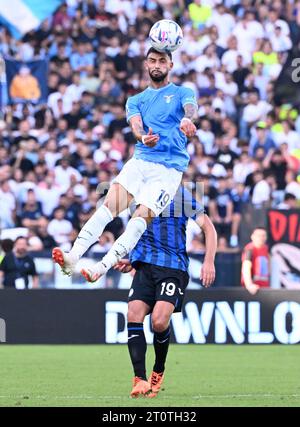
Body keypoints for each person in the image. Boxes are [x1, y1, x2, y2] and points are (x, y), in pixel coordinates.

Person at [52, 47, 197, 282]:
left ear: (170, 65)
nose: (157, 65)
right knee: (107, 208)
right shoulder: (136, 100)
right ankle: (73, 256)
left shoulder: (183, 93)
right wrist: (142, 138)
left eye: (162, 61)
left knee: (139, 219)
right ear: (146, 64)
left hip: (168, 171)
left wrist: (188, 119)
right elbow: (136, 126)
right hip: (140, 161)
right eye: (152, 60)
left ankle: (102, 267)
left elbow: (191, 108)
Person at [114, 186, 217, 398]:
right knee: (133, 314)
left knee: (159, 322)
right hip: (144, 266)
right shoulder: (138, 194)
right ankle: (139, 379)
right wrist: (133, 260)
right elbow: (139, 232)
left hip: (172, 267)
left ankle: (158, 370)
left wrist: (209, 261)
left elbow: (209, 229)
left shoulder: (180, 195)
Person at [241, 227, 270, 295]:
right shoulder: (249, 249)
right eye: (258, 235)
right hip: (253, 290)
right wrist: (249, 285)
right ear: (252, 236)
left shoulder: (266, 249)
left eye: (263, 235)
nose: (261, 238)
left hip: (265, 287)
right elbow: (246, 267)